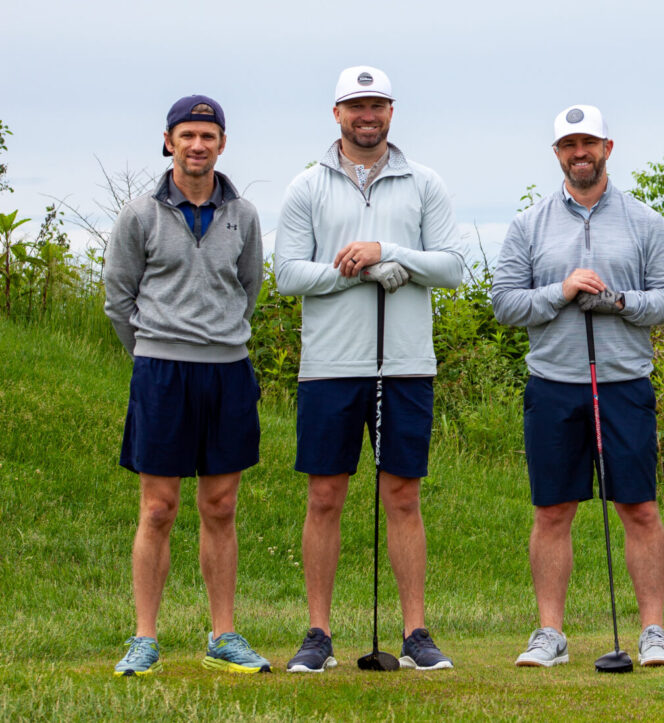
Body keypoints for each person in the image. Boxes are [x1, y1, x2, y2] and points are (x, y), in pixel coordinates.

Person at [275, 66, 464, 672]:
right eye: (356, 105)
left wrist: (393, 254)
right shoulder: (307, 186)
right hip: (329, 365)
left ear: (390, 111)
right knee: (325, 495)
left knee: (402, 495)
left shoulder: (424, 182)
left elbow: (452, 266)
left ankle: (415, 633)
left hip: (404, 364)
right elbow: (287, 273)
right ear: (337, 113)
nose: (367, 114)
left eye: (377, 104)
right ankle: (317, 633)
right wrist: (352, 268)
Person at [492, 105, 664, 668]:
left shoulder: (645, 221)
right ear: (557, 153)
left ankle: (653, 632)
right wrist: (561, 291)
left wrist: (622, 302)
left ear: (608, 147)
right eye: (569, 144)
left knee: (640, 508)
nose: (580, 153)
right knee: (553, 511)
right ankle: (550, 633)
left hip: (624, 383)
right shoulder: (529, 224)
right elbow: (506, 303)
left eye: (590, 143)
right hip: (554, 383)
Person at [105, 95, 269, 676]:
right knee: (158, 508)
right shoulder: (139, 214)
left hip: (227, 371)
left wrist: (217, 341)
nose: (197, 144)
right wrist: (154, 352)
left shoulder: (243, 214)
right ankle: (145, 638)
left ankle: (223, 636)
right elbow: (118, 299)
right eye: (187, 134)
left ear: (223, 144)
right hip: (161, 373)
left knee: (220, 506)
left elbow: (248, 290)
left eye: (208, 135)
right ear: (168, 141)